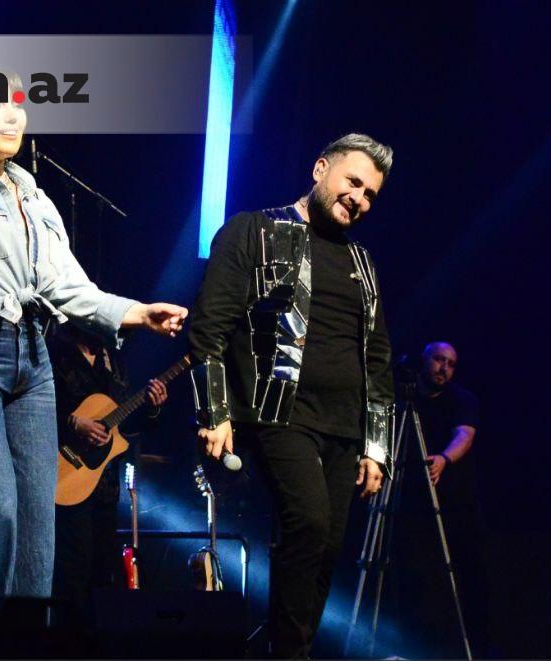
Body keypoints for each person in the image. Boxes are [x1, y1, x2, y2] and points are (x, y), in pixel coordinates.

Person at [0, 30, 186, 603]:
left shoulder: (36, 197)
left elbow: (70, 288)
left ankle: (26, 635)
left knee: (37, 512)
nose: (12, 116)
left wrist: (139, 313)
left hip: (34, 356)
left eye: (17, 104)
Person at [187, 133, 395, 658]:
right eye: (353, 182)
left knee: (327, 547)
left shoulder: (362, 262)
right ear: (320, 168)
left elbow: (377, 356)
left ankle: (290, 647)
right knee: (308, 522)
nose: (359, 198)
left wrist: (377, 447)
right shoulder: (253, 230)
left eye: (370, 194)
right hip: (279, 412)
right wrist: (215, 412)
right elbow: (210, 326)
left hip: (345, 424)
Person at [48, 324, 167, 612]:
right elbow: (31, 409)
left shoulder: (114, 362)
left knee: (102, 572)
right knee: (71, 570)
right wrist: (72, 423)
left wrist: (152, 409)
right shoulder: (55, 352)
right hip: (63, 476)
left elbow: (122, 427)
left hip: (104, 484)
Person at [391, 341, 487, 658]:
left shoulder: (462, 399)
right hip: (407, 496)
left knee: (466, 571)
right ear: (424, 360)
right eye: (439, 360)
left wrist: (445, 458)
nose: (444, 368)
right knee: (410, 571)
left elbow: (465, 434)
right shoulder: (403, 396)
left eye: (451, 363)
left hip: (455, 498)